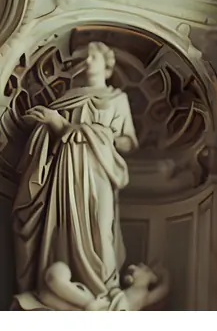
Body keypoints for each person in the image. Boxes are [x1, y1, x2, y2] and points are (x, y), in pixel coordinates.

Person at [12, 41, 138, 305]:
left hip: (99, 168)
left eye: (93, 57)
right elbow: (51, 137)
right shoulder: (66, 99)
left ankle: (106, 289)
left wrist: (70, 126)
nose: (87, 61)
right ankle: (69, 288)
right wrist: (48, 125)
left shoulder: (117, 99)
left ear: (107, 67)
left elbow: (127, 142)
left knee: (100, 225)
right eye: (85, 56)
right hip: (66, 169)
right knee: (65, 225)